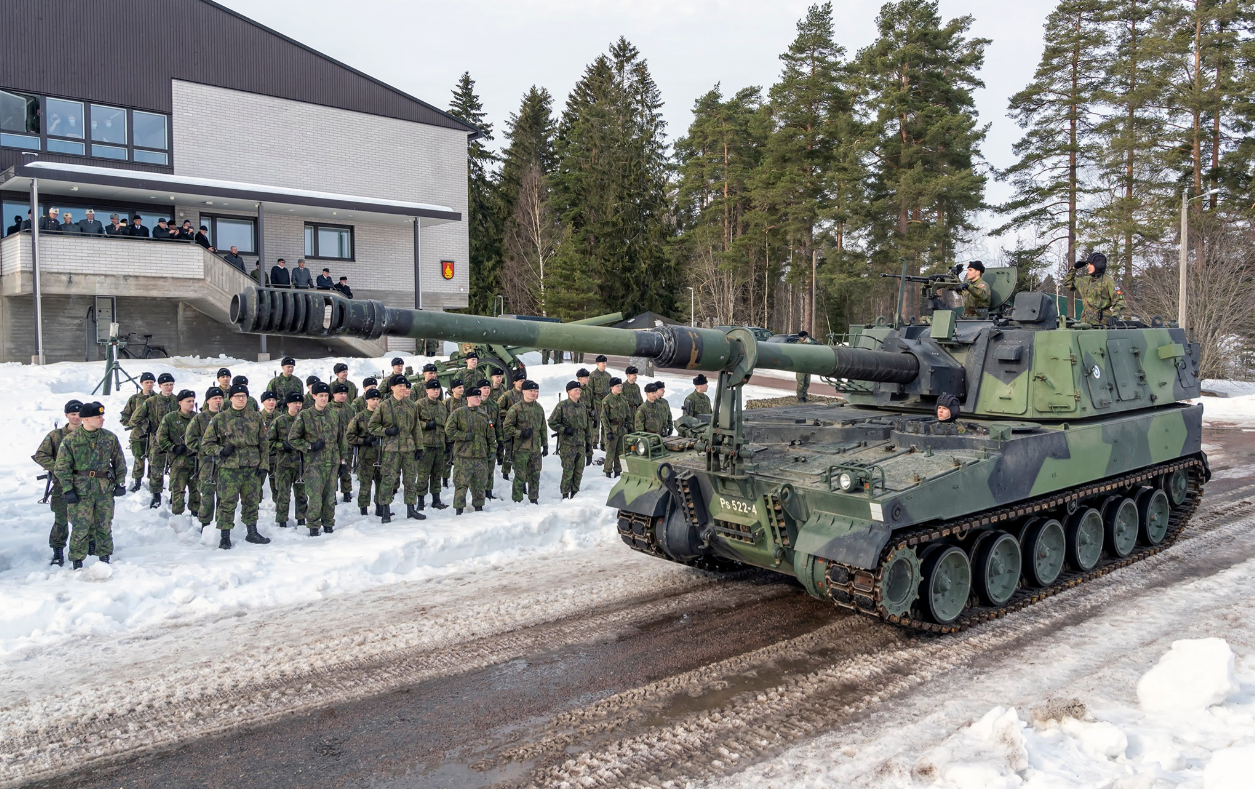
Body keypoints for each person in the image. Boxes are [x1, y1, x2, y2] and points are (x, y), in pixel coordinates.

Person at [53, 402, 126, 570]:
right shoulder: (71, 440)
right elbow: (62, 467)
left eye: (102, 416)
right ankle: (77, 561)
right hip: (81, 490)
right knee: (80, 526)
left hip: (103, 488)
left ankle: (105, 556)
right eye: (98, 417)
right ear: (86, 419)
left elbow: (119, 462)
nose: (102, 419)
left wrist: (120, 482)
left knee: (104, 524)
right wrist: (68, 489)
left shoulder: (109, 438)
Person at [200, 383, 272, 548]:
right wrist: (221, 451)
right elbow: (206, 444)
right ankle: (225, 535)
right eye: (238, 396)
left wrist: (263, 465)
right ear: (231, 398)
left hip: (252, 466)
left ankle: (252, 531)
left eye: (244, 396)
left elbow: (264, 444)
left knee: (252, 501)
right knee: (227, 502)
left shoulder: (256, 417)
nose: (241, 399)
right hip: (229, 468)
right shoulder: (220, 419)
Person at [287, 381, 348, 537]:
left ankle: (328, 523)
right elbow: (293, 439)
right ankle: (314, 526)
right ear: (313, 396)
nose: (324, 399)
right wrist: (309, 446)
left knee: (329, 496)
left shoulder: (334, 415)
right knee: (315, 497)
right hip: (314, 464)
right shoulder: (305, 415)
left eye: (326, 396)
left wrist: (343, 461)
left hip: (332, 462)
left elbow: (342, 440)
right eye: (320, 396)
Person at [368, 374, 426, 523]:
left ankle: (411, 509)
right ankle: (385, 510)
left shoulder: (411, 405)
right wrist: (386, 431)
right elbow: (372, 426)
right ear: (392, 387)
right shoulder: (384, 406)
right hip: (391, 449)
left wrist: (419, 447)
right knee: (389, 479)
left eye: (404, 386)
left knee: (410, 479)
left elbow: (416, 428)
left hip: (408, 449)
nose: (403, 388)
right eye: (399, 386)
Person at [33, 399, 83, 566]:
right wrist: (58, 468)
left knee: (88, 519)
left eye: (79, 414)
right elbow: (40, 455)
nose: (77, 417)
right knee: (61, 519)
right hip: (62, 485)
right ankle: (58, 551)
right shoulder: (55, 436)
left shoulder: (91, 433)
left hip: (87, 484)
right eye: (73, 414)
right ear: (66, 415)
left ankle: (90, 546)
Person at [128, 372, 178, 509]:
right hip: (157, 440)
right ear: (160, 386)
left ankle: (175, 495)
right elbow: (134, 419)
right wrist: (148, 426)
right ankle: (156, 496)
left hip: (175, 440)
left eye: (171, 385)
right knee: (156, 469)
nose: (169, 387)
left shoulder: (177, 400)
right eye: (166, 385)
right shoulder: (151, 402)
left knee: (176, 469)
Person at [444, 387, 496, 514]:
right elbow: (449, 430)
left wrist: (492, 449)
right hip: (464, 456)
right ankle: (459, 509)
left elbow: (491, 435)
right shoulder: (459, 413)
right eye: (475, 397)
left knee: (480, 484)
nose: (478, 399)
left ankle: (479, 507)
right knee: (461, 485)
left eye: (479, 397)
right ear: (468, 398)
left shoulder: (484, 415)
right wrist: (463, 436)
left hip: (480, 455)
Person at [155, 390, 200, 517]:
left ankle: (195, 513)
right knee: (177, 490)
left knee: (196, 490)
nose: (191, 404)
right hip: (177, 462)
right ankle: (177, 515)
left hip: (195, 462)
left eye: (192, 401)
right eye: (188, 401)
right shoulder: (170, 418)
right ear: (180, 403)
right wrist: (173, 447)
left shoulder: (197, 418)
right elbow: (161, 437)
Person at [185, 386, 224, 531]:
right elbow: (190, 440)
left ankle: (221, 525)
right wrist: (207, 448)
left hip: (225, 462)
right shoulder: (199, 418)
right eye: (215, 398)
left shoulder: (226, 417)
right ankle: (205, 524)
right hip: (207, 463)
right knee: (207, 495)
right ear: (208, 401)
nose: (218, 401)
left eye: (220, 398)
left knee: (224, 496)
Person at [548, 381, 595, 499]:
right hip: (568, 445)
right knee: (568, 470)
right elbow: (552, 422)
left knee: (579, 470)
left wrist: (589, 443)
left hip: (580, 444)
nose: (578, 392)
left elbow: (587, 427)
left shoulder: (583, 407)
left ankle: (575, 493)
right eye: (575, 390)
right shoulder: (562, 406)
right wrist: (563, 429)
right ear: (569, 392)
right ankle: (565, 494)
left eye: (579, 390)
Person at [268, 392, 307, 529]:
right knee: (283, 494)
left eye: (300, 403)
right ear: (288, 404)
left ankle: (302, 519)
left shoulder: (306, 420)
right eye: (295, 403)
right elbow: (268, 442)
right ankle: (282, 520)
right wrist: (282, 446)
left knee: (302, 494)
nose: (297, 405)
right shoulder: (279, 421)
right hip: (284, 464)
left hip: (301, 464)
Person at [503, 380, 546, 503]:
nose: (534, 393)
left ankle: (534, 499)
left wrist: (545, 444)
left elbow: (543, 427)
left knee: (535, 475)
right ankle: (517, 500)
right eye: (531, 391)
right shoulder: (515, 409)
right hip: (521, 449)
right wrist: (520, 433)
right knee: (520, 476)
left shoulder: (538, 408)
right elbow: (507, 427)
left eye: (536, 391)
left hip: (535, 448)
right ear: (523, 392)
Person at [415, 379, 450, 512]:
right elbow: (413, 422)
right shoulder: (419, 404)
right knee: (423, 474)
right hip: (426, 445)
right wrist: (425, 425)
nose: (436, 391)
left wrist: (447, 443)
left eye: (437, 389)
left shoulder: (442, 406)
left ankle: (436, 500)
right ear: (427, 390)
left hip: (439, 444)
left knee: (437, 474)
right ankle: (420, 501)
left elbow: (446, 425)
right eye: (433, 389)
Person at [347, 388, 383, 516]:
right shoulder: (360, 417)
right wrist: (364, 441)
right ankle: (363, 509)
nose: (375, 402)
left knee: (381, 483)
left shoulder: (383, 415)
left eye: (378, 399)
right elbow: (350, 436)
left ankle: (380, 507)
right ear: (367, 400)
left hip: (381, 455)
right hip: (366, 456)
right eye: (373, 399)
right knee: (365, 484)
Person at [1064, 252, 1125, 324]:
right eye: (1088, 264)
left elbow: (1120, 301)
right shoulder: (1085, 281)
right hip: (1085, 324)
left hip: (1101, 325)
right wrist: (1074, 268)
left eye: (1091, 264)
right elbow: (1067, 282)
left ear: (1098, 265)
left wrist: (1115, 316)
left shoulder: (1108, 282)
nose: (1088, 267)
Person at [121, 372, 156, 492]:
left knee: (154, 460)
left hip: (153, 435)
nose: (149, 384)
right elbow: (125, 417)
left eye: (151, 382)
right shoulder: (134, 399)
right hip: (138, 435)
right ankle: (137, 482)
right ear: (142, 383)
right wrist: (133, 424)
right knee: (138, 460)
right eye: (147, 382)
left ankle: (154, 483)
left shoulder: (157, 399)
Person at [497, 372, 526, 480]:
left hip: (522, 427)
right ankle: (505, 472)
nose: (522, 383)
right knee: (508, 450)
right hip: (509, 426)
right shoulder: (507, 395)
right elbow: (498, 409)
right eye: (520, 381)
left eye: (524, 381)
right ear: (514, 382)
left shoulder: (525, 394)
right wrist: (510, 413)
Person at [477, 379, 502, 499]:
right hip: (477, 442)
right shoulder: (475, 404)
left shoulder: (494, 404)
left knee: (490, 467)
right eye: (484, 388)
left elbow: (497, 424)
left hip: (491, 440)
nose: (487, 390)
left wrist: (500, 440)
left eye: (488, 388)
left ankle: (489, 492)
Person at [329, 382, 354, 502]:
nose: (343, 396)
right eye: (340, 393)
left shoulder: (349, 409)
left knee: (346, 470)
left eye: (345, 393)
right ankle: (332, 493)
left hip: (347, 444)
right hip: (333, 445)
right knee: (332, 472)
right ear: (334, 394)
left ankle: (347, 491)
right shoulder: (328, 408)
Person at [601, 378, 631, 478]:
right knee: (610, 451)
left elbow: (628, 414)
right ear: (612, 387)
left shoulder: (623, 399)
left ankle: (618, 470)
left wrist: (629, 426)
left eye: (621, 386)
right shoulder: (607, 400)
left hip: (622, 429)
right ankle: (608, 471)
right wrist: (607, 431)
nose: (620, 388)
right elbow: (604, 417)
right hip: (612, 429)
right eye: (617, 386)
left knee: (621, 451)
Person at [795, 330, 815, 401]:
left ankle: (804, 395)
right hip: (800, 366)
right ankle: (800, 396)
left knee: (807, 382)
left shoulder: (808, 343)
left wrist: (809, 342)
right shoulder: (798, 344)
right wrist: (805, 342)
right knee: (801, 382)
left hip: (807, 365)